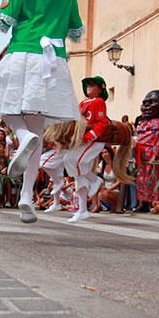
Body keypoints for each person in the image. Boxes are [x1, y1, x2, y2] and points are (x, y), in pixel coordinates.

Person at [0, 0, 83, 223]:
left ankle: (21, 136)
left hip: (24, 51)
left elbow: (4, 21)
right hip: (54, 60)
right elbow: (76, 31)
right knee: (37, 127)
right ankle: (26, 197)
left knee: (1, 102)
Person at [63, 76, 109, 223]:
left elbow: (102, 122)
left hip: (93, 140)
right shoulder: (82, 102)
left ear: (100, 88)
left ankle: (95, 180)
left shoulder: (99, 101)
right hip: (82, 139)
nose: (89, 86)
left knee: (78, 163)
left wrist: (90, 136)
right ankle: (82, 209)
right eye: (87, 84)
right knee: (70, 163)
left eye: (92, 84)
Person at [135, 90, 159, 211]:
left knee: (155, 180)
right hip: (141, 157)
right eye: (144, 103)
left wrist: (155, 156)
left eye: (152, 102)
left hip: (153, 158)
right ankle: (143, 203)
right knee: (142, 181)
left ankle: (155, 203)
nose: (146, 106)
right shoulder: (142, 124)